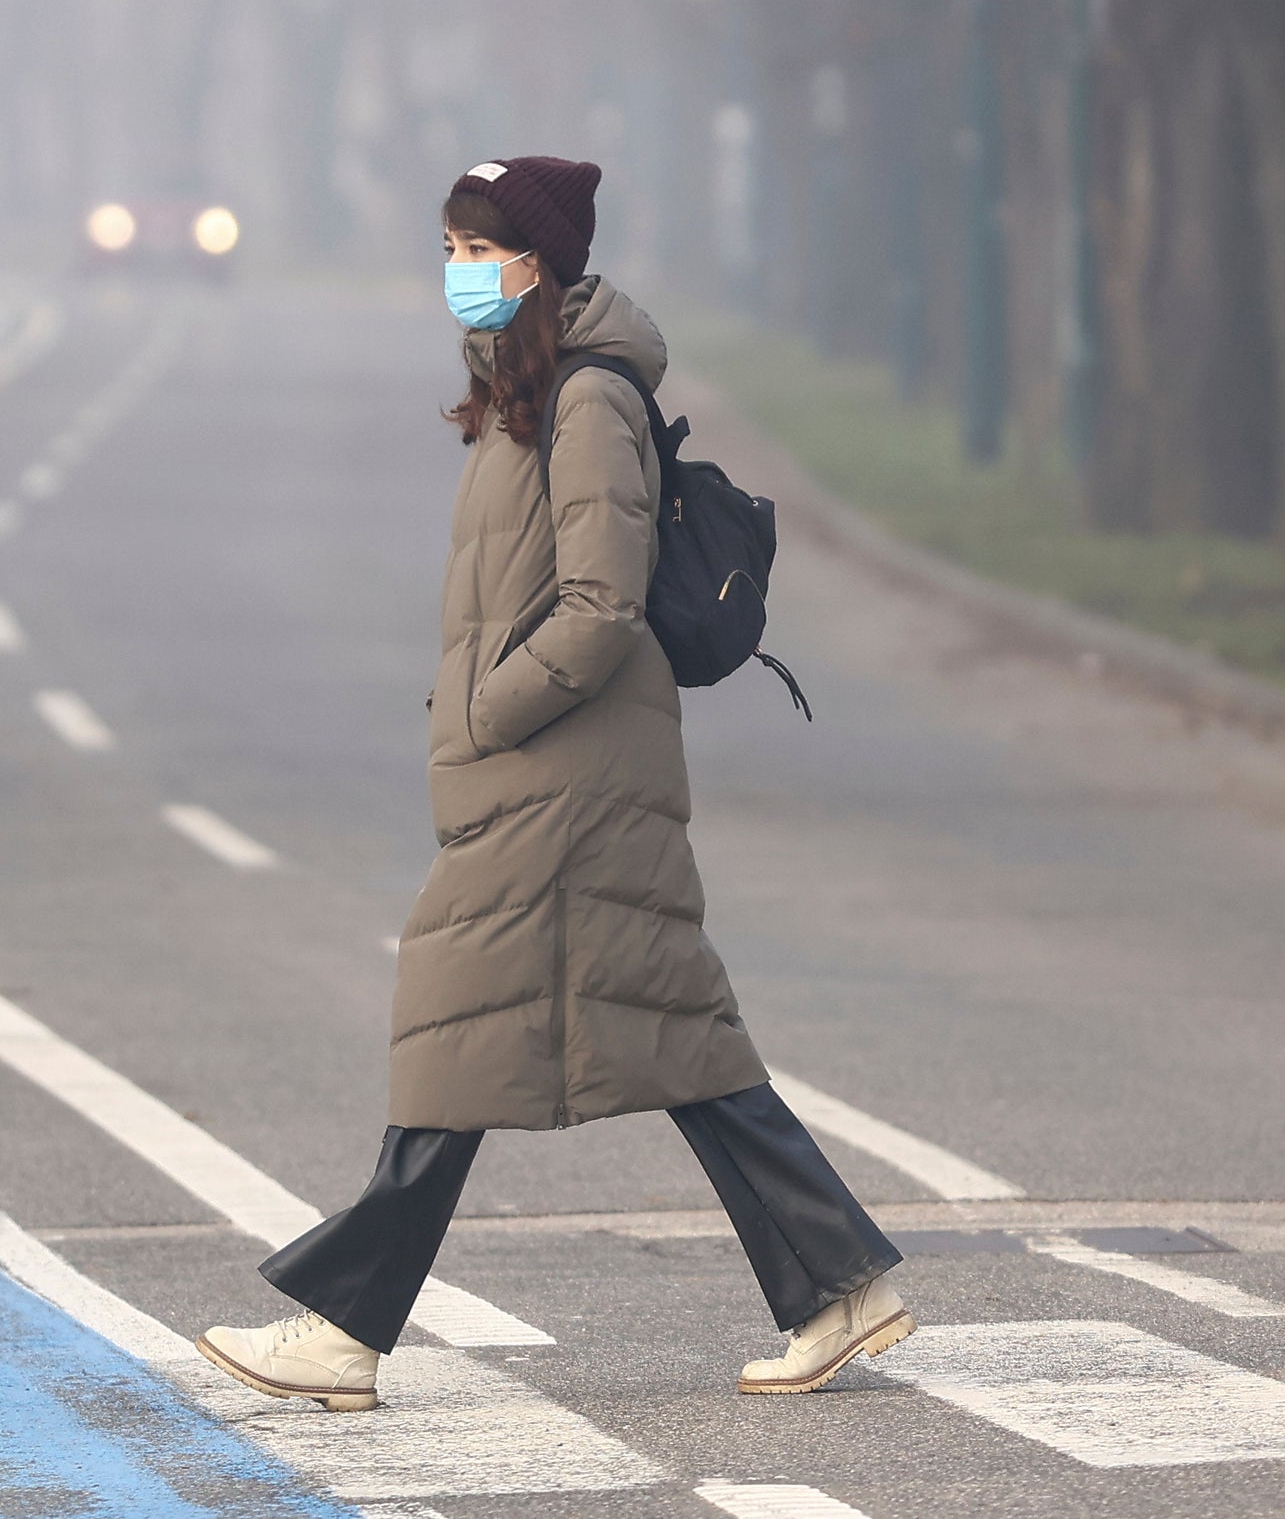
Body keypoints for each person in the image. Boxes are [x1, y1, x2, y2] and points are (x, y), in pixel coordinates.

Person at [200, 154, 910, 1413]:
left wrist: (486, 710)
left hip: (564, 778)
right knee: (663, 1035)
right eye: (450, 247)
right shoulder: (526, 395)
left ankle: (345, 1332)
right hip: (550, 776)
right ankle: (839, 1287)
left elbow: (597, 607)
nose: (459, 272)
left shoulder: (587, 402)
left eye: (479, 250)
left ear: (539, 265)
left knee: (456, 1023)